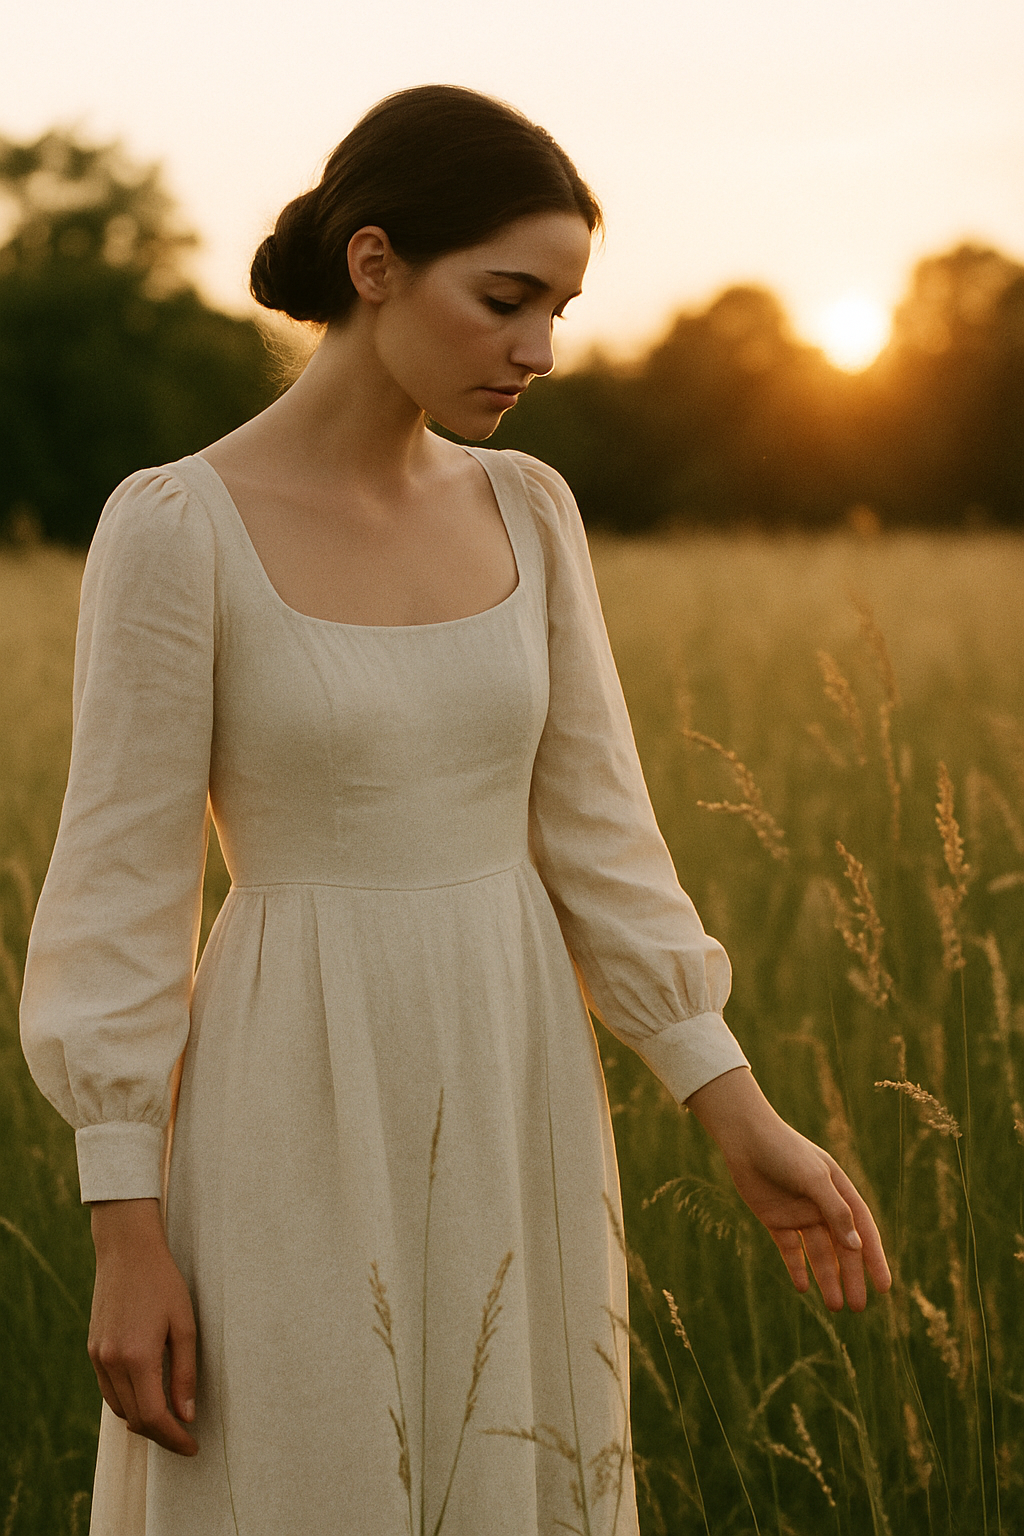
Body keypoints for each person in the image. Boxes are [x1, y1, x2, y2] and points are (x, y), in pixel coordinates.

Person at [20, 84, 890, 1535]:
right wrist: (127, 1227)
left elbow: (604, 846)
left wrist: (737, 1111)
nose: (540, 349)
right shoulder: (176, 525)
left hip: (513, 1068)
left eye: (560, 306)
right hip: (288, 1085)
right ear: (374, 267)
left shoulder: (531, 512)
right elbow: (118, 890)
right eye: (506, 300)